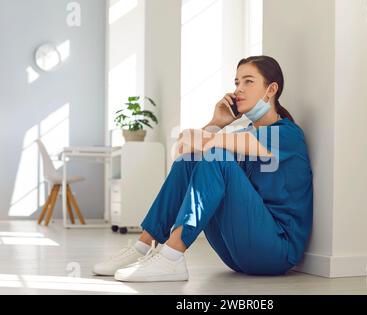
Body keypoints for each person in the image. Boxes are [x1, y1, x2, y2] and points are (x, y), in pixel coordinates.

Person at [93, 55, 313, 282]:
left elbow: (198, 142)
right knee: (193, 159)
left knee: (214, 153)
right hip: (236, 253)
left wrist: (205, 134)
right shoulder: (245, 135)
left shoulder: (286, 135)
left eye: (248, 81)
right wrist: (217, 122)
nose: (239, 90)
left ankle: (172, 256)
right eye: (236, 82)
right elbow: (184, 154)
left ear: (271, 89)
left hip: (276, 252)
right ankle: (143, 246)